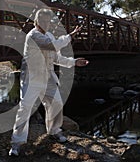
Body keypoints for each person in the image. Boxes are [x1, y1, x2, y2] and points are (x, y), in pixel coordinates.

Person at [9, 8, 89, 156]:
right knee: (25, 109)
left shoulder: (50, 35)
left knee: (56, 103)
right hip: (32, 79)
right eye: (44, 20)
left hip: (48, 78)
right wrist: (70, 36)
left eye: (48, 20)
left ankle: (54, 131)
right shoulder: (33, 35)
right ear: (37, 21)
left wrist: (74, 62)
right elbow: (52, 46)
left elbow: (57, 58)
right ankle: (17, 143)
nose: (47, 23)